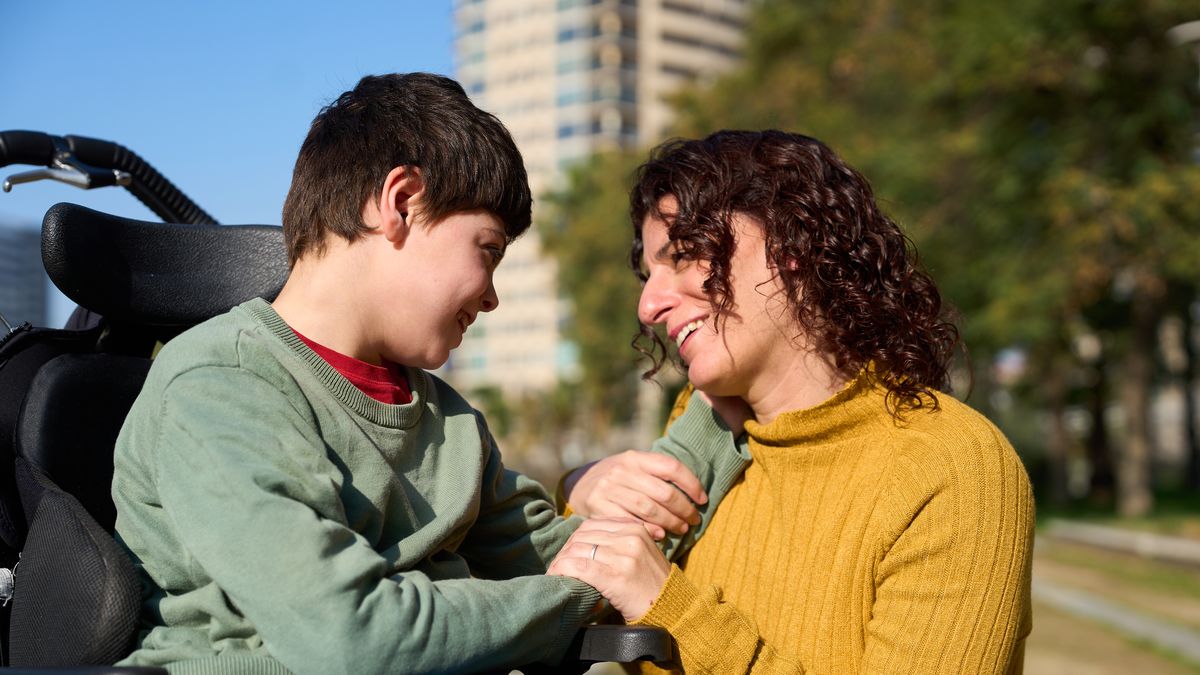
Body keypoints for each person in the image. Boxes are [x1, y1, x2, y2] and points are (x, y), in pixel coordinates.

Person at [110, 73, 745, 675]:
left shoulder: (447, 420)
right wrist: (567, 596)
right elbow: (352, 637)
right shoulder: (221, 387)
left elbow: (584, 559)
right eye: (488, 251)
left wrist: (725, 407)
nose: (492, 296)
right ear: (402, 203)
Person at [548, 130, 1035, 673]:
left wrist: (674, 614)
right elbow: (570, 597)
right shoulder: (707, 433)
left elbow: (650, 592)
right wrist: (581, 485)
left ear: (792, 244)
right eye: (649, 274)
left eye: (685, 254)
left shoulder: (954, 469)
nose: (648, 306)